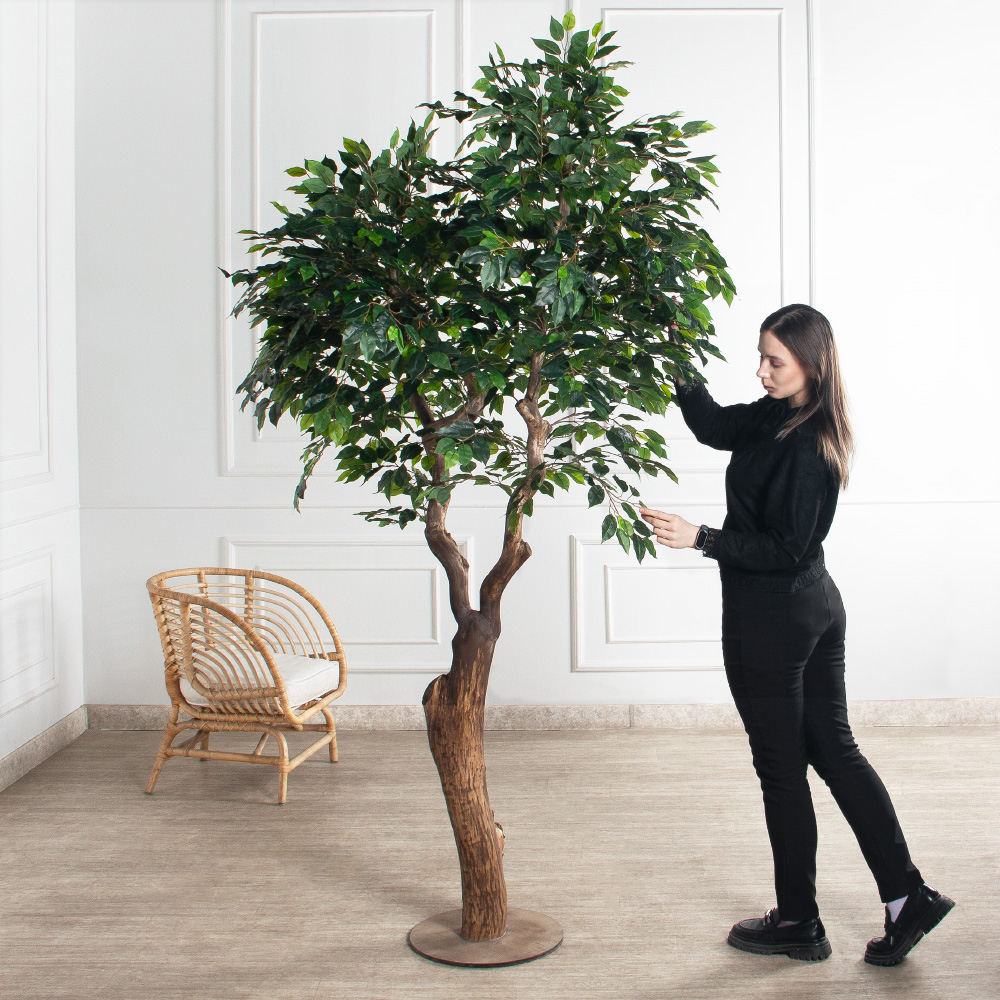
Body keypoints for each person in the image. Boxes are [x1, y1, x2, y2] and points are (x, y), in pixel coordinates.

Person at [638, 303, 954, 965]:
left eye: (774, 361)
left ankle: (798, 923)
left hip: (776, 618)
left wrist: (701, 538)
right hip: (813, 606)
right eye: (760, 356)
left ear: (811, 365)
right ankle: (908, 899)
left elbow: (785, 548)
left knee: (783, 770)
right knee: (834, 752)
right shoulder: (776, 413)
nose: (761, 370)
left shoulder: (809, 445)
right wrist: (674, 351)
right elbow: (713, 426)